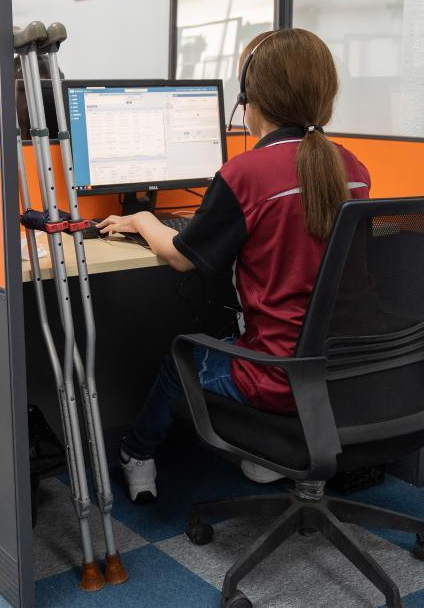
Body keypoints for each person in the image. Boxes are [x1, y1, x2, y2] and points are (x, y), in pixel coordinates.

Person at [96, 29, 372, 503]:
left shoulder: (245, 174)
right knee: (233, 332)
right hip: (346, 369)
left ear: (249, 96)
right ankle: (282, 454)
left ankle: (136, 453)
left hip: (275, 376)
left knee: (181, 359)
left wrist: (142, 220)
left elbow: (181, 257)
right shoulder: (353, 168)